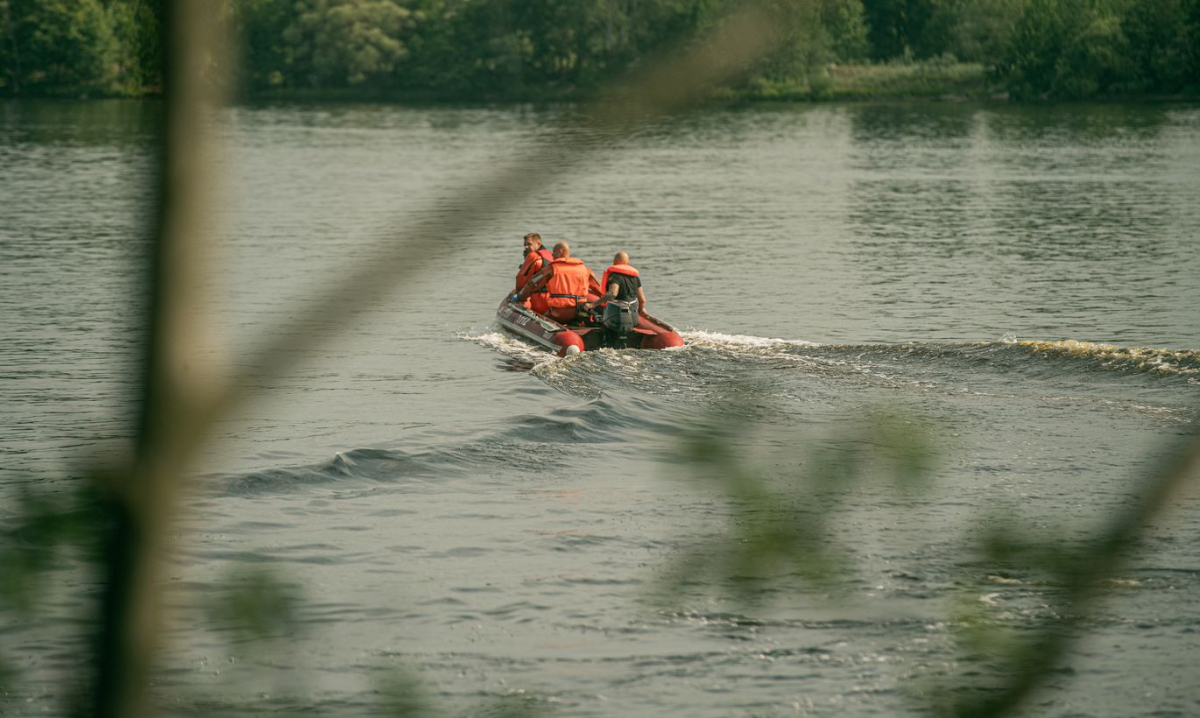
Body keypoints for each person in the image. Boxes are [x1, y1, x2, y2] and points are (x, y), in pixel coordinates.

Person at [516, 241, 594, 324]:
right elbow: (598, 285)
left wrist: (521, 297)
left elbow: (532, 282)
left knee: (540, 321)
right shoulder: (584, 269)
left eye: (553, 254)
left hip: (559, 313)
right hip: (579, 312)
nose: (552, 257)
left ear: (560, 252)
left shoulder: (552, 268)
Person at [514, 232, 553, 314]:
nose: (526, 247)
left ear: (538, 243)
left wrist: (517, 295)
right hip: (554, 299)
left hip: (539, 300)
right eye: (524, 245)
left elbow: (521, 279)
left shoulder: (533, 256)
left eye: (529, 244)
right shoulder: (552, 255)